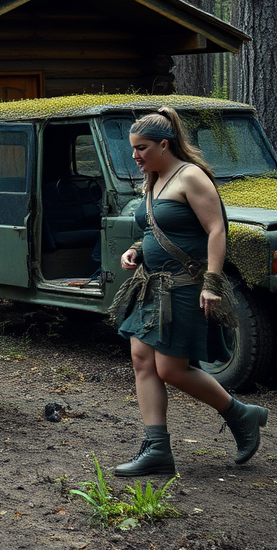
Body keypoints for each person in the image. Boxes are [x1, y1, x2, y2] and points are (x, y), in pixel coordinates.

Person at [111, 107, 268, 477]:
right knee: (142, 361)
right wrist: (136, 248)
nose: (135, 155)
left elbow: (216, 230)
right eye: (133, 148)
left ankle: (239, 414)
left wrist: (212, 284)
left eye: (142, 147)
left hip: (183, 287)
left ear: (165, 145)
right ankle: (157, 449)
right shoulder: (155, 178)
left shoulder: (191, 176)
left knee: (171, 369)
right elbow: (157, 227)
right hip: (151, 284)